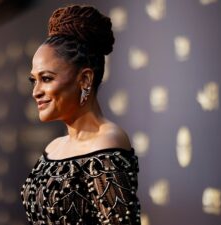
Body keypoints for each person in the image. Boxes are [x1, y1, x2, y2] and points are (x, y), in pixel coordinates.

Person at [21, 4, 141, 225]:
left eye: (46, 78)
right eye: (33, 80)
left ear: (85, 79)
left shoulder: (107, 141)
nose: (36, 91)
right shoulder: (53, 147)